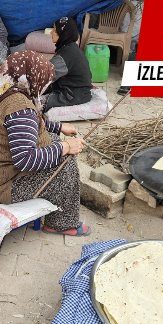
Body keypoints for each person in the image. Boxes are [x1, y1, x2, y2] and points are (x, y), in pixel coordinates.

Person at [0, 51, 89, 236]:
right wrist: (66, 147)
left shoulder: (7, 88)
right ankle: (62, 223)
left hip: (5, 166)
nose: (45, 86)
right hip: (6, 184)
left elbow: (26, 124)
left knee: (56, 142)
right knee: (66, 165)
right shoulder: (19, 106)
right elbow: (25, 159)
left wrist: (58, 128)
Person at [44, 17, 93, 112]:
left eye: (54, 30)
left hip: (73, 95)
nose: (51, 32)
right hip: (78, 91)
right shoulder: (70, 47)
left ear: (62, 34)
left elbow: (46, 76)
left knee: (33, 103)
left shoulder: (66, 55)